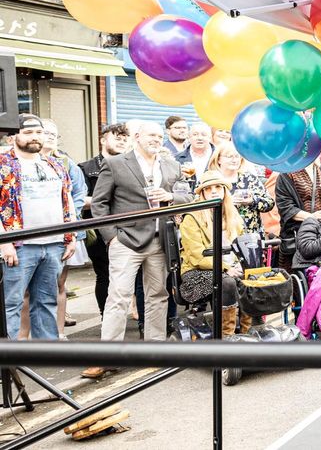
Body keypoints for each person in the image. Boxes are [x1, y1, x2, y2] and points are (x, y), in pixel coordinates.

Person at [84, 121, 191, 378]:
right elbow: (99, 204)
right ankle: (107, 357)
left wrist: (170, 198)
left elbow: (187, 197)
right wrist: (111, 237)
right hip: (126, 240)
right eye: (150, 135)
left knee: (157, 294)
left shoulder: (171, 165)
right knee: (118, 297)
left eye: (159, 136)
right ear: (137, 136)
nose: (156, 139)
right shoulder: (116, 163)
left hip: (159, 240)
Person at [0, 115, 76, 340]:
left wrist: (70, 235)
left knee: (46, 300)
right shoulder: (3, 165)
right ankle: (9, 360)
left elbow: (67, 201)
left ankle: (46, 353)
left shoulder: (54, 164)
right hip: (18, 245)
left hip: (53, 244)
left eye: (39, 132)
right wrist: (4, 242)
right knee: (10, 303)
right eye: (28, 132)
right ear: (15, 136)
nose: (35, 137)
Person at [177, 170, 245, 337]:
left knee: (252, 279)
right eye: (208, 188)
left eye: (218, 187)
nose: (214, 191)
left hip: (229, 267)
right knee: (228, 282)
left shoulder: (232, 215)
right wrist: (226, 267)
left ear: (224, 191)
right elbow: (197, 257)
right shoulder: (191, 217)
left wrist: (240, 265)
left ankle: (247, 332)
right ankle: (227, 335)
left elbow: (240, 245)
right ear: (202, 193)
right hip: (196, 272)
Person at [80, 123, 131, 315]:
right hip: (99, 229)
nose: (122, 141)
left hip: (128, 227)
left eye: (125, 138)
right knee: (105, 275)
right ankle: (106, 316)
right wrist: (102, 199)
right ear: (103, 140)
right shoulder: (86, 168)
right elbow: (79, 200)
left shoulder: (132, 165)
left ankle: (133, 315)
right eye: (117, 137)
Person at [207, 143, 274, 237]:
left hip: (250, 236)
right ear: (218, 159)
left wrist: (253, 201)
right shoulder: (210, 180)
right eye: (229, 156)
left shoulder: (249, 178)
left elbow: (269, 203)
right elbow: (200, 205)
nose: (234, 160)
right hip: (220, 235)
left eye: (237, 156)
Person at [274, 163, 321, 272]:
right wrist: (311, 217)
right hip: (298, 235)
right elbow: (286, 207)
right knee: (297, 280)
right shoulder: (287, 173)